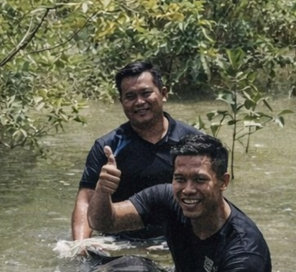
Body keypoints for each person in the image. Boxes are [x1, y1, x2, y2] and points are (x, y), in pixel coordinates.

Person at [87, 134, 276, 272]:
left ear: (223, 181)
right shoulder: (167, 200)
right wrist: (103, 191)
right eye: (180, 179)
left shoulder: (244, 249)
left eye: (200, 180)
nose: (188, 190)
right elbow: (103, 222)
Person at [71, 61, 202, 245]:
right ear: (122, 102)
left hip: (179, 240)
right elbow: (85, 200)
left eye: (146, 93)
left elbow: (212, 196)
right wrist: (80, 246)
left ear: (163, 94)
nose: (139, 102)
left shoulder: (194, 141)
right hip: (121, 241)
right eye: (130, 96)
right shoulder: (107, 147)